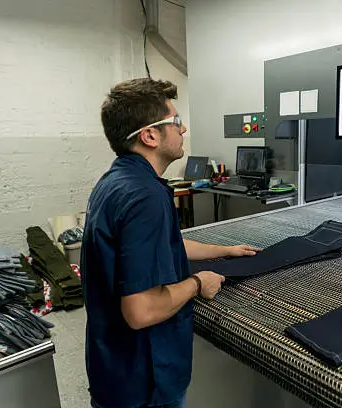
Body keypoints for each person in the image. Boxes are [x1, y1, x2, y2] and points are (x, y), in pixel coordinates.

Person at [80, 78, 260, 408]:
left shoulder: (116, 182)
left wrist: (225, 251)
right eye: (176, 121)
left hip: (112, 368)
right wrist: (197, 283)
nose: (184, 128)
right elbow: (141, 310)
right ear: (150, 135)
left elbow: (161, 244)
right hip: (143, 382)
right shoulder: (145, 196)